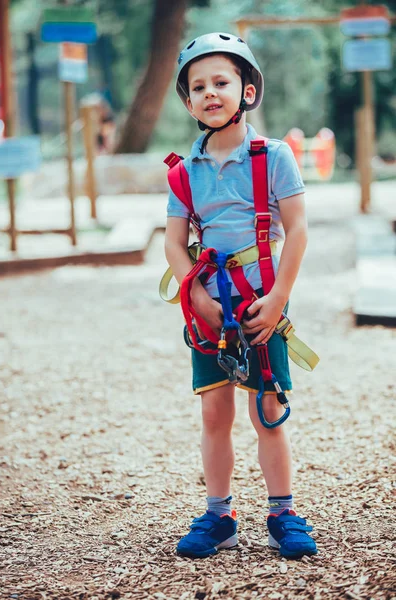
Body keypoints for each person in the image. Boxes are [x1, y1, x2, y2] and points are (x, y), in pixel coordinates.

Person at [164, 32, 317, 560]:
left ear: (247, 91)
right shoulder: (184, 172)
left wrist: (278, 301)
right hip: (208, 305)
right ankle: (219, 513)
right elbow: (173, 241)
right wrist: (195, 297)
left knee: (268, 408)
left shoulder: (273, 156)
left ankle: (282, 510)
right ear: (188, 102)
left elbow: (296, 231)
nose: (210, 93)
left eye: (221, 82)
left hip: (262, 301)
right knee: (214, 414)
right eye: (198, 86)